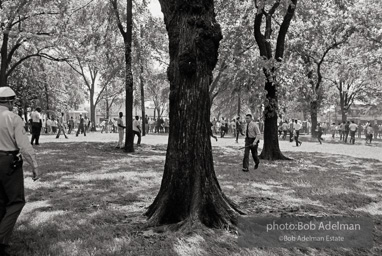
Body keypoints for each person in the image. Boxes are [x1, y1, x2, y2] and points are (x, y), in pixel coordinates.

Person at [0, 87, 40, 255]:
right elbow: (24, 145)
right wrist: (34, 165)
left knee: (1, 200)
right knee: (16, 201)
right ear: (10, 101)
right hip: (8, 162)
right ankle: (1, 240)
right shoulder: (13, 118)